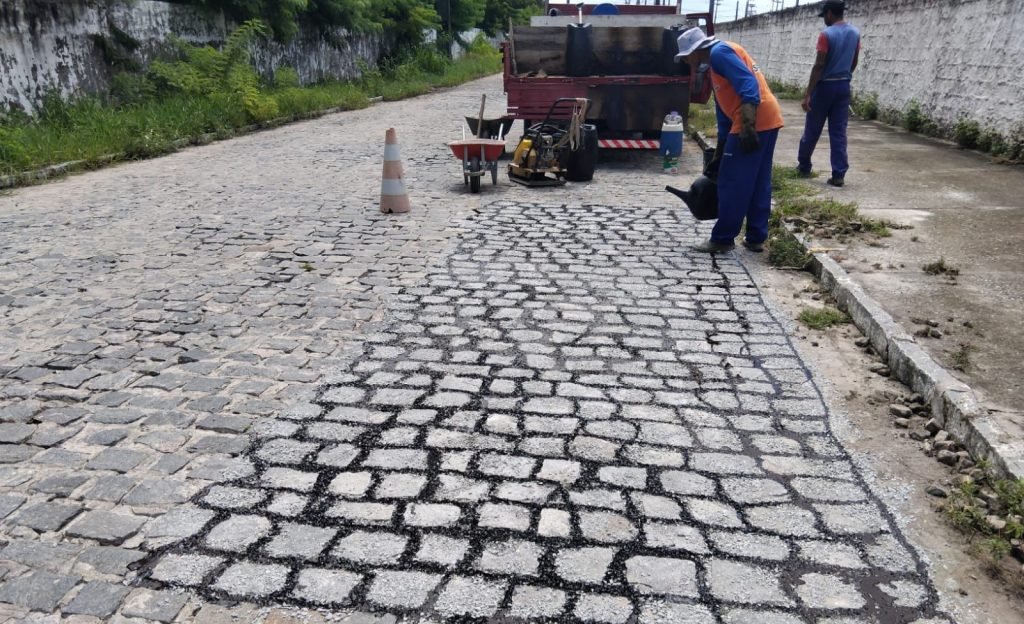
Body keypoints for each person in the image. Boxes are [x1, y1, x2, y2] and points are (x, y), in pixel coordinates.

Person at [675, 27, 784, 253]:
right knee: (758, 181)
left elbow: (749, 86)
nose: (686, 62)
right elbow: (724, 113)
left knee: (732, 182)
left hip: (753, 120)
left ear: (695, 51)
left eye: (686, 57)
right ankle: (755, 237)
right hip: (768, 119)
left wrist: (747, 125)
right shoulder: (718, 61)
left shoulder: (719, 54)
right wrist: (721, 151)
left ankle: (722, 239)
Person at [797, 0, 861, 187]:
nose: (825, 19)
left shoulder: (826, 35)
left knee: (812, 129)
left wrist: (808, 93)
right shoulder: (855, 33)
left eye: (825, 15)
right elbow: (854, 61)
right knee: (838, 132)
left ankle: (804, 166)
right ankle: (839, 174)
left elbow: (819, 65)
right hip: (843, 86)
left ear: (830, 13)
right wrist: (845, 76)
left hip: (824, 87)